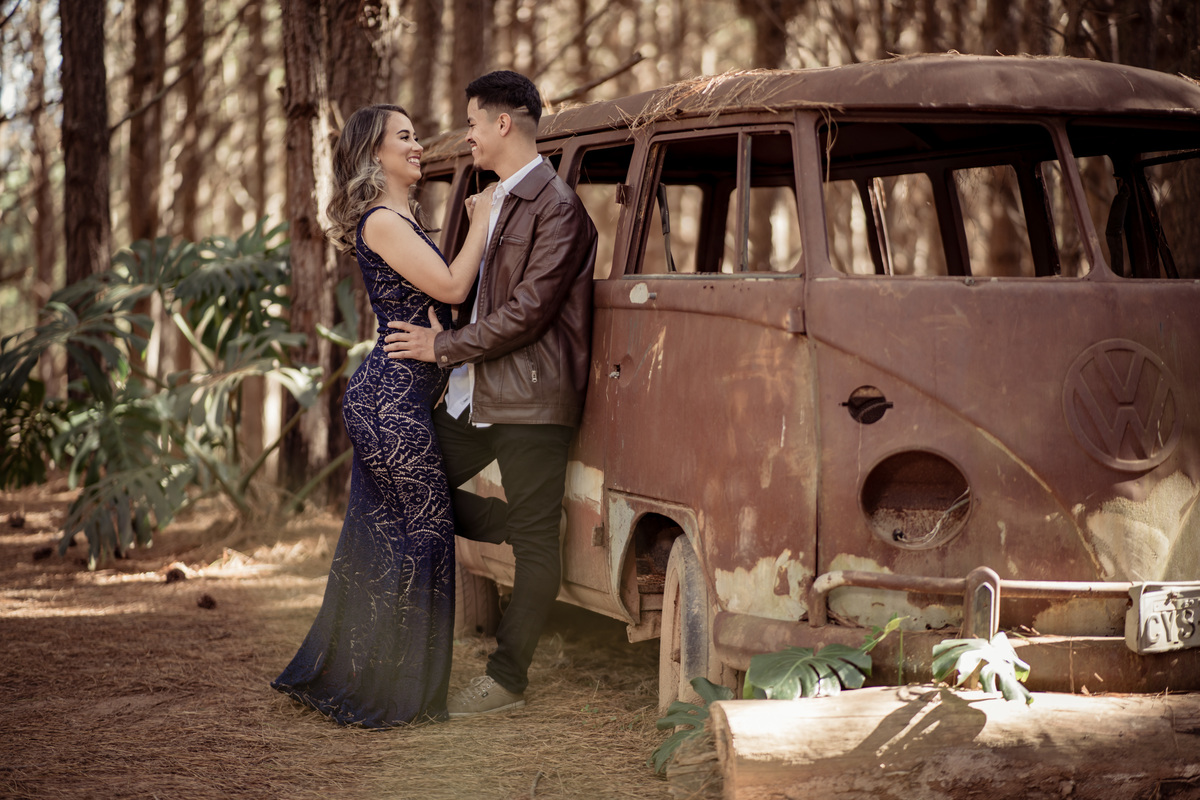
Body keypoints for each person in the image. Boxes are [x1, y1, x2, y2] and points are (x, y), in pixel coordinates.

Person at [271, 104, 494, 727]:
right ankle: (401, 695)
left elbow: (440, 303)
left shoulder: (402, 220)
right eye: (404, 137)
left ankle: (370, 679)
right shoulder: (382, 221)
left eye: (415, 135)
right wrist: (482, 218)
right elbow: (452, 287)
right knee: (427, 530)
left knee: (384, 537)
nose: (417, 145)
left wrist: (444, 332)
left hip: (396, 397)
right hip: (389, 401)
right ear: (375, 154)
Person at [383, 70, 597, 717]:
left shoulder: (557, 206)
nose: (468, 134)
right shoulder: (495, 201)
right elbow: (478, 294)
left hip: (530, 399)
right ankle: (522, 525)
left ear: (504, 123)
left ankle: (506, 681)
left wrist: (442, 347)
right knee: (407, 482)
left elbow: (529, 313)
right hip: (473, 393)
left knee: (534, 547)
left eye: (474, 121)